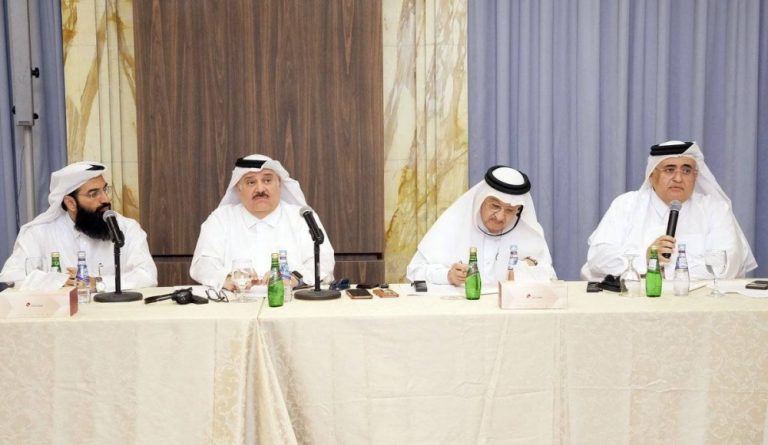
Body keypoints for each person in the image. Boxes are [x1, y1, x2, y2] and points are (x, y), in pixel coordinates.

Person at [582, 140, 757, 281]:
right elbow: (599, 258)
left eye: (686, 170)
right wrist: (646, 259)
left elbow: (727, 264)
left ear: (695, 176)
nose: (678, 178)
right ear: (652, 175)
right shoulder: (626, 205)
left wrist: (666, 270)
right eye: (669, 169)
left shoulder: (715, 209)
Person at [0, 161, 158, 289]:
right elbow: (11, 277)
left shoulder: (126, 229)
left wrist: (98, 283)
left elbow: (148, 275)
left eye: (105, 190)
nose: (105, 199)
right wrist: (58, 281)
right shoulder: (40, 233)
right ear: (70, 203)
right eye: (93, 194)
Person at [190, 154, 335, 290]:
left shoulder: (302, 217)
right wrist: (227, 278)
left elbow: (323, 262)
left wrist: (295, 278)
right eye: (251, 182)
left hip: (290, 303)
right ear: (239, 187)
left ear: (279, 184)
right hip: (236, 303)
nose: (260, 189)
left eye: (267, 180)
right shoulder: (221, 219)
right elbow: (202, 263)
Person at [406, 166, 557, 287]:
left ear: (518, 210)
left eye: (510, 210)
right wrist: (448, 276)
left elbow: (550, 277)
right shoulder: (454, 223)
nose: (500, 217)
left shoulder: (529, 232)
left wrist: (525, 269)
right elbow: (414, 271)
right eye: (495, 206)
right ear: (481, 200)